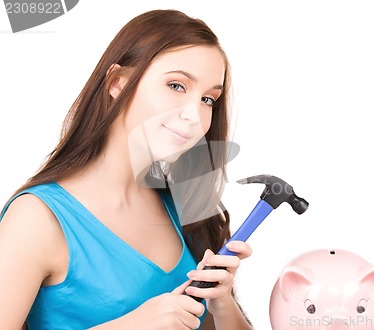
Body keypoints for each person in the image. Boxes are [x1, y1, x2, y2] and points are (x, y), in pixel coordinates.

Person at [0, 9, 253, 330]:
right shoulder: (36, 219)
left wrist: (222, 304)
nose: (195, 114)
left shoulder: (183, 209)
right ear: (118, 83)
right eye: (176, 86)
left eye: (207, 99)